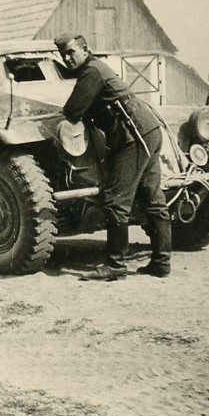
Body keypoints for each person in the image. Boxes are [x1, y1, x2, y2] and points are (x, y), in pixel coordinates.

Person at [56, 34, 171, 280]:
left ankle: (115, 265)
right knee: (153, 198)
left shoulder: (91, 71)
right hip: (148, 129)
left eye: (71, 52)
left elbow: (72, 111)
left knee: (116, 201)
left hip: (132, 137)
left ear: (85, 50)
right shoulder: (97, 67)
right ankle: (161, 263)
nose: (67, 58)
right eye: (63, 54)